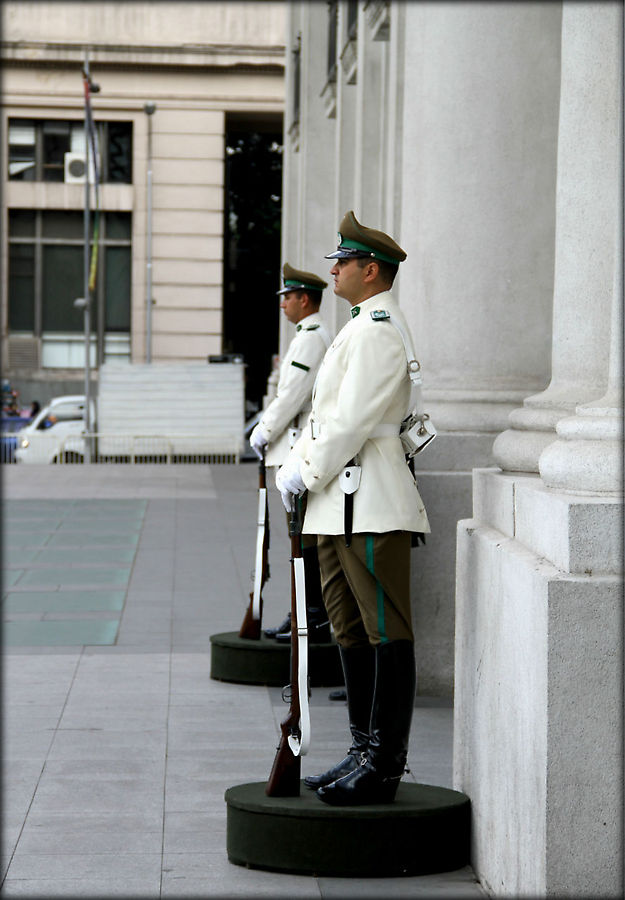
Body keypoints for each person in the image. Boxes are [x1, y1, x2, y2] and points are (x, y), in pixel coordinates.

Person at [276, 211, 430, 806]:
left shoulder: (377, 330)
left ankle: (385, 764)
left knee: (387, 631)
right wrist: (305, 472)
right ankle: (362, 749)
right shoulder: (356, 327)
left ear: (372, 270)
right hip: (339, 502)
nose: (333, 268)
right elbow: (327, 417)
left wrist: (303, 469)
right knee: (349, 628)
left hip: (369, 500)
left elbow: (349, 420)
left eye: (343, 261)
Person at [249, 262, 333, 643]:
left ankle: (311, 613)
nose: (283, 304)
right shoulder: (305, 337)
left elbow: (292, 396)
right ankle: (304, 610)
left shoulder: (310, 338)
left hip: (298, 448)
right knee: (300, 538)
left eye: (287, 297)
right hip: (296, 447)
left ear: (304, 299)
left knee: (305, 540)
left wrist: (263, 430)